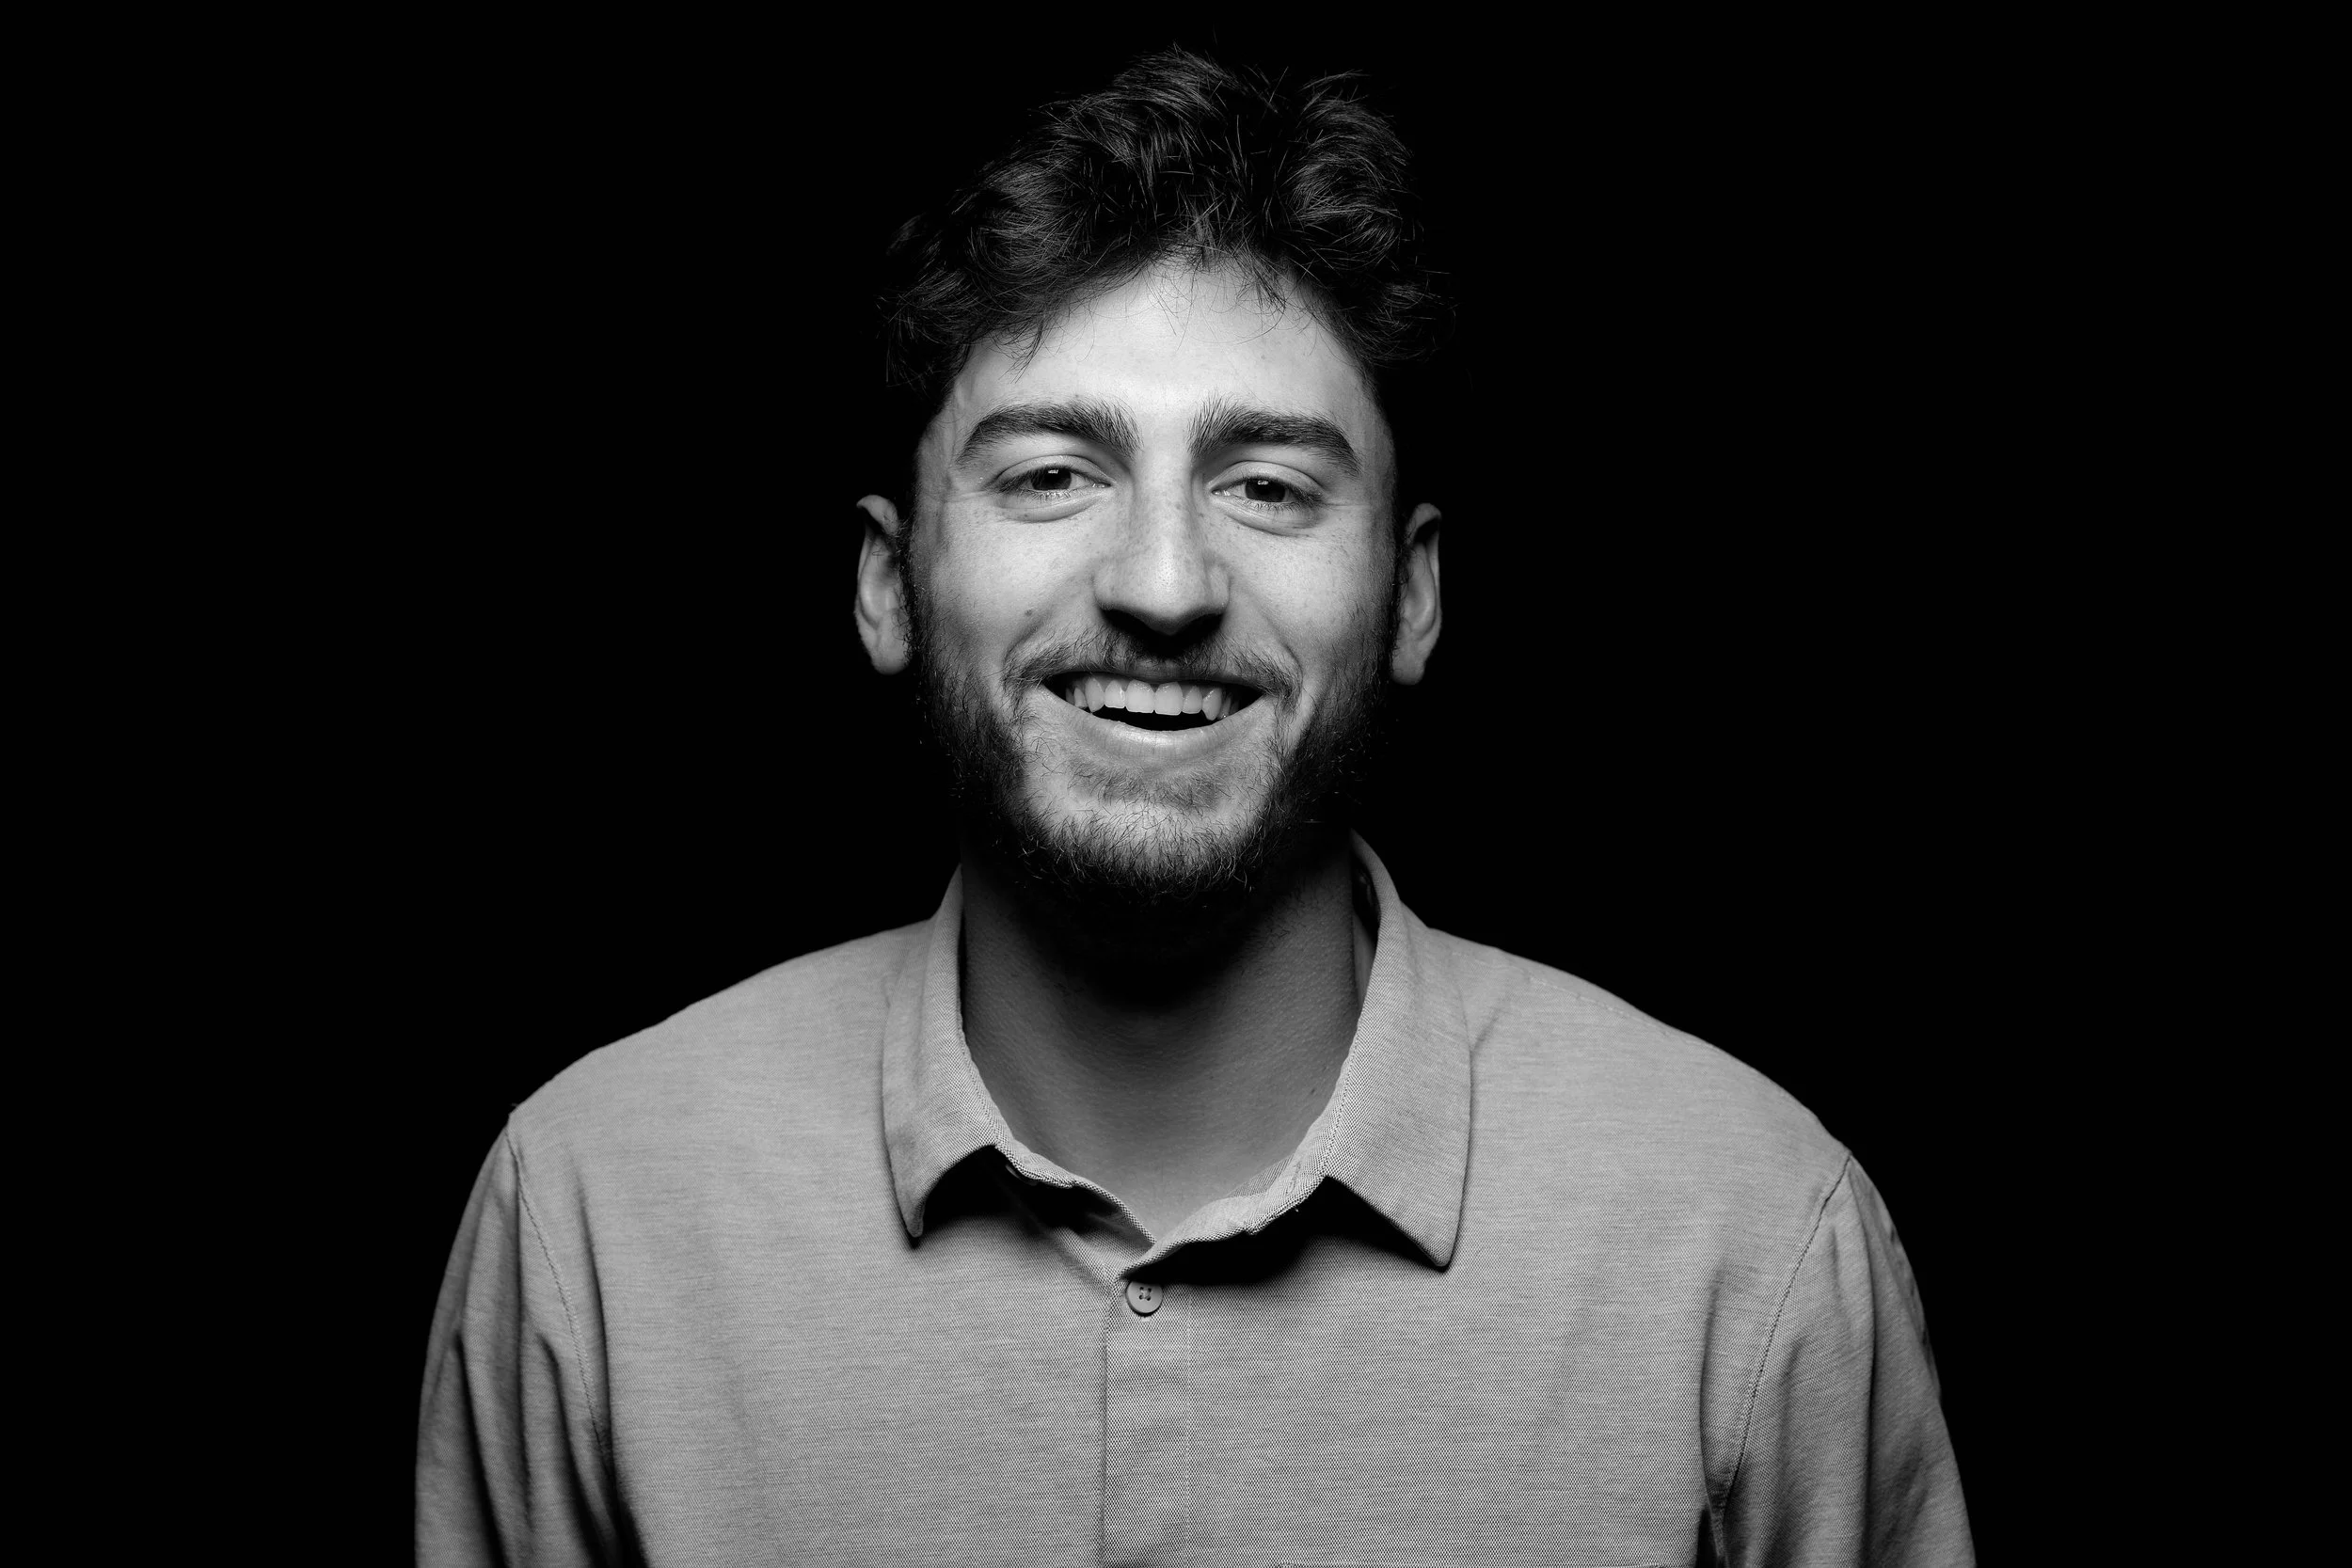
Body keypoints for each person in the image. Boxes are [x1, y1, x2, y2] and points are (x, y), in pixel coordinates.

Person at [416, 49, 1973, 1567]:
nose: (1164, 584)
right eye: (1049, 476)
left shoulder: (1752, 1241)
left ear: (1413, 594)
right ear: (888, 582)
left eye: (1270, 486)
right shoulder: (593, 1216)